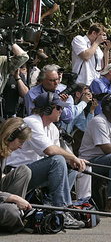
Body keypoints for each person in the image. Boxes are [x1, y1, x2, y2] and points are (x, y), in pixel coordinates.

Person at [6, 92, 87, 229]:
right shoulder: (31, 122)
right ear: (48, 109)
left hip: (33, 173)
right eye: (59, 108)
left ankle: (56, 205)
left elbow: (57, 154)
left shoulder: (53, 128)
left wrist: (73, 161)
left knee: (71, 166)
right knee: (58, 160)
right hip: (16, 174)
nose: (62, 111)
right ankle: (61, 211)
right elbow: (49, 150)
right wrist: (72, 157)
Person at [0, 117, 32, 233]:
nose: (21, 147)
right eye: (20, 142)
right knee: (11, 211)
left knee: (24, 170)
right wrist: (12, 197)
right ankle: (17, 216)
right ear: (10, 136)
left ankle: (18, 214)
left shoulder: (2, 151)